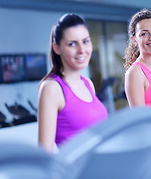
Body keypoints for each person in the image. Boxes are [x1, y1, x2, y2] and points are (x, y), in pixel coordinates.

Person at [38, 14, 108, 153]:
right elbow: (44, 153)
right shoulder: (52, 88)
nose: (82, 50)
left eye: (85, 41)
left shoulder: (88, 84)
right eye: (72, 44)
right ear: (57, 48)